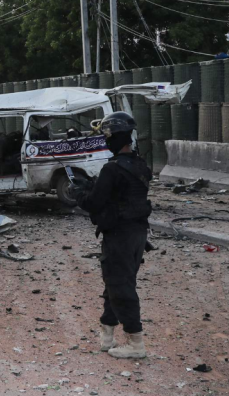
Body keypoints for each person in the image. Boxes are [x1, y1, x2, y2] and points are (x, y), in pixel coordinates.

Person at [71, 111, 153, 359]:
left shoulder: (112, 169)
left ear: (115, 137)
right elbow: (121, 196)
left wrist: (79, 194)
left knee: (120, 286)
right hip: (138, 234)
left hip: (119, 235)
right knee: (115, 283)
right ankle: (107, 335)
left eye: (107, 136)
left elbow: (94, 204)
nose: (106, 142)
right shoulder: (140, 165)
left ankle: (135, 342)